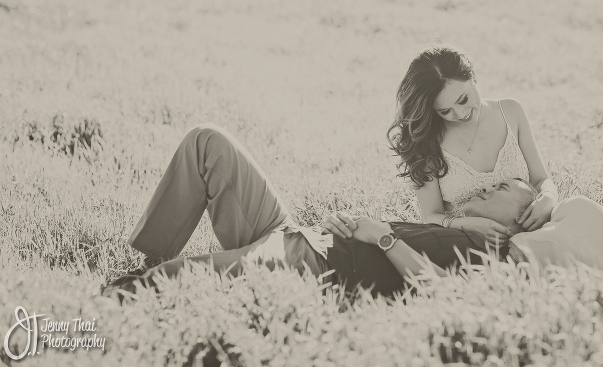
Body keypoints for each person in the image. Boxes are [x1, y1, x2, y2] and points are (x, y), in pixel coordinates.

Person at [103, 123, 528, 302]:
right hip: (295, 235)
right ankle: (153, 252)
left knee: (159, 284)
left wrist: (382, 236)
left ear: (520, 220)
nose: (490, 183)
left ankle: (92, 315)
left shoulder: (490, 249)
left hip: (306, 265)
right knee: (207, 142)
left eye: (504, 187)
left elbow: (440, 294)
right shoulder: (455, 226)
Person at [377, 45, 603, 277]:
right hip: (487, 241)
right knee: (547, 250)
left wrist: (548, 199)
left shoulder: (510, 112)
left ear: (474, 79)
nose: (460, 114)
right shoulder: (428, 141)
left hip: (535, 220)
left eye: (464, 99)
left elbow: (541, 179)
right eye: (445, 111)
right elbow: (430, 216)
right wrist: (468, 225)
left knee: (578, 207)